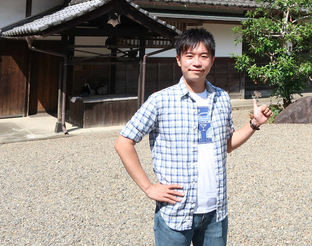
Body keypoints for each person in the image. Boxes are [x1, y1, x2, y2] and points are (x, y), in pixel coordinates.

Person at [115, 28, 272, 245]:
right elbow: (124, 142)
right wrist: (149, 188)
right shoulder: (161, 101)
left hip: (215, 213)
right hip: (175, 212)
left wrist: (254, 124)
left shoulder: (222, 98)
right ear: (179, 60)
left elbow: (226, 145)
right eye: (189, 56)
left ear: (212, 60)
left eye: (203, 56)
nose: (196, 62)